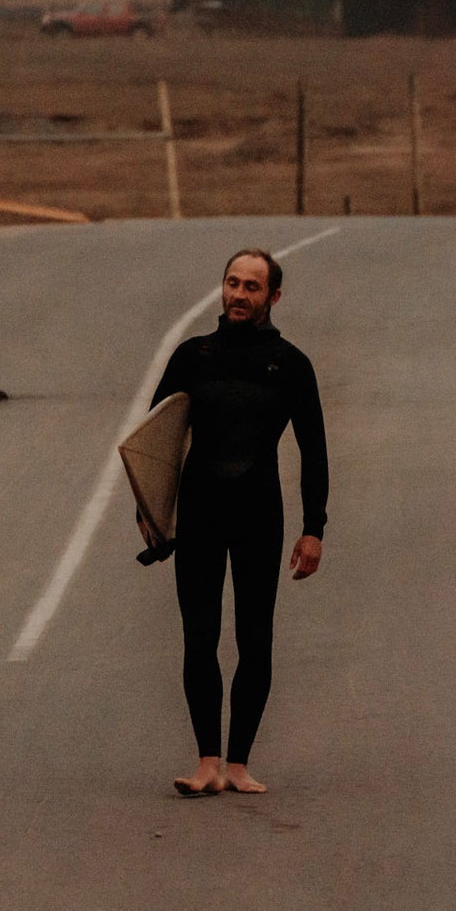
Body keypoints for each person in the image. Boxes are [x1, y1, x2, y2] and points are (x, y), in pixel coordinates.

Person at [150, 247, 328, 796]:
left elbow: (314, 450)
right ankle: (207, 762)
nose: (239, 295)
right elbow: (155, 442)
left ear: (272, 296)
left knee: (255, 640)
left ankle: (240, 764)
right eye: (232, 283)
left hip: (259, 514)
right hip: (200, 511)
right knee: (199, 637)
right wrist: (151, 513)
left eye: (252, 286)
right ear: (221, 288)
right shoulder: (192, 356)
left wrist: (313, 528)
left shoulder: (291, 364)